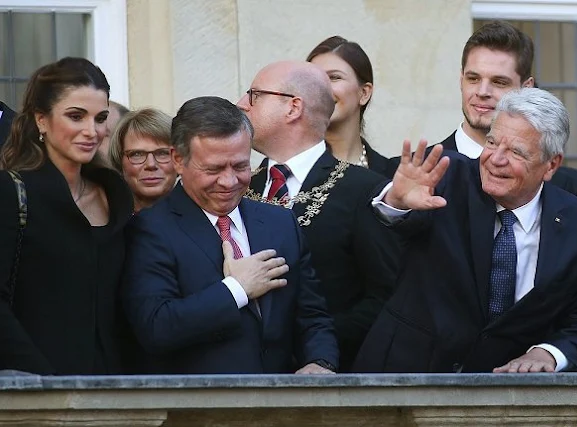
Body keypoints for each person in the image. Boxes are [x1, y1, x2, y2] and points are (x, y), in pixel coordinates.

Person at [353, 88, 577, 373]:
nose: (496, 159)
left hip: (503, 398)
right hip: (404, 375)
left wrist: (548, 354)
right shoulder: (448, 178)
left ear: (551, 164)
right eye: (492, 142)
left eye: (516, 151)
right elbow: (389, 226)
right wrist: (396, 201)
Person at [122, 96, 338, 374]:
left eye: (239, 166)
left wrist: (320, 362)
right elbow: (156, 326)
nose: (228, 181)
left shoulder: (279, 222)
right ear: (178, 159)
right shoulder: (149, 229)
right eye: (213, 169)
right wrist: (237, 289)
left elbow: (312, 315)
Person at [238, 61, 402, 371]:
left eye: (254, 95)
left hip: (329, 378)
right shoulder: (239, 185)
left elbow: (385, 297)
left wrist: (315, 344)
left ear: (293, 107)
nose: (240, 105)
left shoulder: (363, 189)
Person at [0, 57, 134, 375]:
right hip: (35, 393)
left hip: (117, 393)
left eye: (100, 118)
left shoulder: (114, 194)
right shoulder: (10, 192)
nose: (92, 131)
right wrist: (42, 380)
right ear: (41, 120)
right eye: (76, 116)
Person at [386, 20, 577, 193]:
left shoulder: (567, 186)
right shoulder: (403, 175)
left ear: (526, 88)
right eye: (473, 78)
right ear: (461, 79)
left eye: (499, 82)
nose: (482, 91)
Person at [306, 36, 392, 177]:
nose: (320, 88)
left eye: (334, 77)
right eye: (312, 79)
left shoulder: (389, 176)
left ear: (364, 93)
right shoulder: (284, 170)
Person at [108, 108, 177, 212]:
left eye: (162, 153)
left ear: (179, 159)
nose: (151, 164)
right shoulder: (103, 219)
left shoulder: (204, 218)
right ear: (119, 160)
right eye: (137, 154)